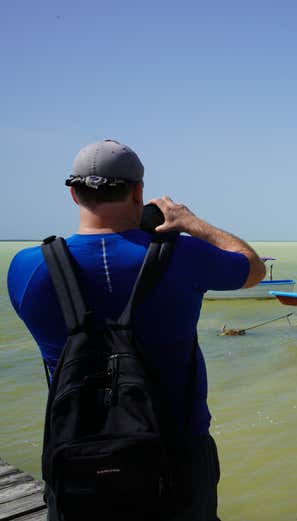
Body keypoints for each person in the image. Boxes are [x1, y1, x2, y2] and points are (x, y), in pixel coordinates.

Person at [7, 139, 265, 520]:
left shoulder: (27, 269)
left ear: (73, 193)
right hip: (178, 452)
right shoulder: (183, 255)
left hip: (77, 452)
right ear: (139, 192)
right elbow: (251, 267)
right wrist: (189, 221)